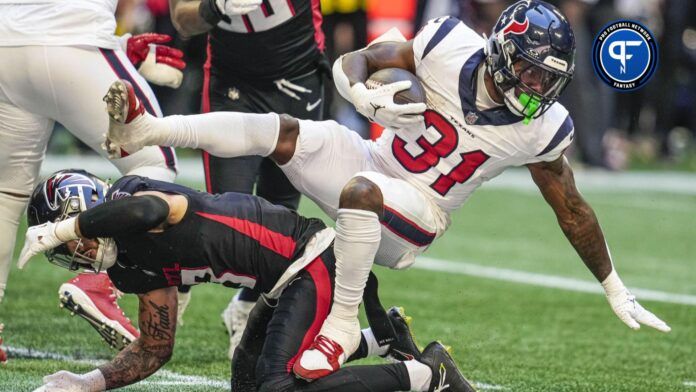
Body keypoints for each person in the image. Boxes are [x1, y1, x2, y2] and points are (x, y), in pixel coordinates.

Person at [103, 0, 671, 381]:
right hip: (376, 160)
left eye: (550, 79)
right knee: (284, 131)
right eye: (531, 72)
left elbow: (571, 209)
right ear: (500, 53)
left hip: (418, 215)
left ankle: (343, 323)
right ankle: (149, 129)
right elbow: (355, 60)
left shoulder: (543, 127)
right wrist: (363, 97)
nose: (538, 88)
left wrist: (613, 284)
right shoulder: (449, 43)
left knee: (361, 190)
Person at [20, 170, 475, 392]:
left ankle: (426, 375)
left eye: (68, 242)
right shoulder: (128, 264)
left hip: (309, 259)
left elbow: (151, 211)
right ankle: (381, 337)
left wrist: (67, 229)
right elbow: (156, 347)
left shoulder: (131, 198)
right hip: (281, 284)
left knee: (279, 389)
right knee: (248, 386)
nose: (73, 256)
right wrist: (88, 383)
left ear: (79, 213)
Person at [0, 0, 184, 355]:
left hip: (6, 43)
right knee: (157, 164)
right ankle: (98, 282)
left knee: (6, 193)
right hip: (74, 35)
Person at [167, 0, 330, 355]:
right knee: (226, 220)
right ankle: (169, 290)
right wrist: (215, 6)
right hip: (233, 85)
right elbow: (183, 20)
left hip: (298, 80)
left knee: (282, 222)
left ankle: (246, 308)